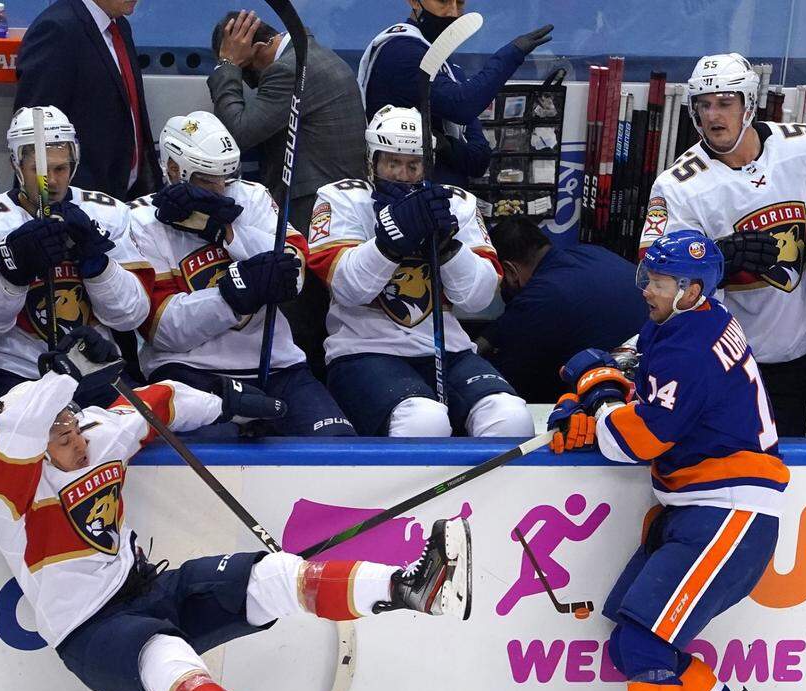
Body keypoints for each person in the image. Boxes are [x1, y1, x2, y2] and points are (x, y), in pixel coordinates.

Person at [0, 326, 472, 691]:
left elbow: (163, 400)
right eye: (61, 437)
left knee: (272, 574)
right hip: (92, 637)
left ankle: (412, 587)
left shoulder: (98, 433)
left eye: (73, 427)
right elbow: (17, 439)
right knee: (164, 654)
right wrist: (62, 377)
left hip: (150, 592)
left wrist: (228, 401)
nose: (78, 443)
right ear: (31, 446)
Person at [550, 231, 803, 691]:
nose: (646, 289)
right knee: (631, 647)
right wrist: (604, 384)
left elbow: (643, 439)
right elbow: (630, 364)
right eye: (647, 276)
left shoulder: (691, 346)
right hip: (700, 511)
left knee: (643, 641)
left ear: (691, 290)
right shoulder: (695, 319)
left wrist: (593, 417)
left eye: (659, 282)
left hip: (728, 512)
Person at [638, 53, 806, 437]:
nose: (712, 115)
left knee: (785, 465)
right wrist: (716, 256)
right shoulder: (678, 185)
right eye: (704, 105)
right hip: (721, 359)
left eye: (724, 103)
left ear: (749, 104)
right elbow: (652, 271)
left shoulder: (805, 146)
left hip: (797, 353)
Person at [308, 105, 533, 438]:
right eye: (392, 163)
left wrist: (448, 249)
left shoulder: (457, 204)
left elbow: (479, 298)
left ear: (427, 165)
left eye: (413, 165)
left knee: (512, 417)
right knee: (423, 422)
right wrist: (391, 241)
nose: (402, 174)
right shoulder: (340, 199)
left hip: (447, 350)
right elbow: (348, 289)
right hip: (365, 351)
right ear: (372, 161)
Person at [129, 111, 355, 437]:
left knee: (337, 443)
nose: (221, 189)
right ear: (175, 170)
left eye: (225, 177)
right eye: (208, 179)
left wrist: (227, 232)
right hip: (190, 370)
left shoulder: (253, 197)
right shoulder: (140, 219)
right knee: (219, 451)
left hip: (278, 365)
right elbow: (162, 331)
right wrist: (230, 296)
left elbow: (294, 275)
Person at [0, 106, 152, 426]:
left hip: (90, 366)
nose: (53, 181)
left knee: (140, 425)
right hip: (11, 370)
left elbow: (132, 314)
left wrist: (97, 263)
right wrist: (13, 275)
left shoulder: (107, 214)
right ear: (16, 166)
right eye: (40, 169)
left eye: (62, 168)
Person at [357, 1, 553, 187]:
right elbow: (462, 105)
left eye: (459, 3)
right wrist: (511, 54)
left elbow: (479, 158)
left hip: (452, 202)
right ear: (414, 2)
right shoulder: (400, 52)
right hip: (404, 201)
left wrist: (447, 146)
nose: (453, 12)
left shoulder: (448, 66)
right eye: (442, 1)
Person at [208, 10, 367, 232]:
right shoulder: (314, 55)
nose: (249, 84)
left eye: (243, 70)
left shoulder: (289, 69)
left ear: (258, 49)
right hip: (338, 202)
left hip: (313, 212)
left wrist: (227, 65)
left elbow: (236, 136)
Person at [478, 216, 648, 403]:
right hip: (654, 377)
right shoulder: (592, 253)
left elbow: (505, 376)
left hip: (612, 393)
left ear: (510, 270)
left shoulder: (541, 296)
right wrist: (489, 336)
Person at [15, 0, 161, 200]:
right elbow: (35, 132)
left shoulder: (120, 27)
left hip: (124, 197)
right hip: (76, 203)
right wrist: (45, 205)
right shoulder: (57, 29)